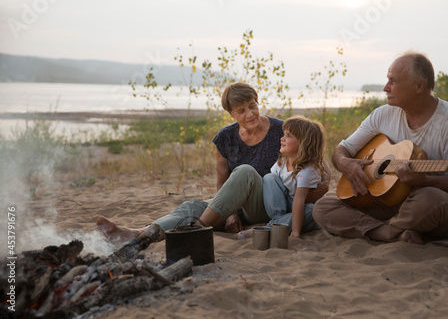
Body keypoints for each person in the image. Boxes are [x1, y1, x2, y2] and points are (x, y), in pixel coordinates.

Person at [98, 82, 330, 257]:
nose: (249, 114)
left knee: (246, 172)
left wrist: (316, 186)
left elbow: (317, 163)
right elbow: (222, 182)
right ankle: (143, 234)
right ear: (230, 113)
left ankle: (196, 230)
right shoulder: (225, 138)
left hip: (268, 203)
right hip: (237, 206)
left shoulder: (282, 129)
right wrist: (229, 214)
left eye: (252, 106)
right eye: (241, 110)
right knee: (192, 206)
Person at [313, 51, 448, 245]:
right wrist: (345, 163)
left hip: (435, 204)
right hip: (388, 202)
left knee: (427, 199)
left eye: (393, 81)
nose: (385, 87)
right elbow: (343, 148)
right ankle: (393, 232)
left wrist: (424, 180)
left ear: (419, 86)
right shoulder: (383, 114)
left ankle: (384, 230)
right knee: (323, 207)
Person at [263, 115, 326, 237]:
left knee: (313, 210)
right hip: (285, 206)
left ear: (303, 143)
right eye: (284, 134)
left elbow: (299, 200)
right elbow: (274, 191)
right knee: (269, 178)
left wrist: (296, 231)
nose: (282, 138)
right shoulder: (281, 163)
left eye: (289, 136)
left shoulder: (307, 171)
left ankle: (273, 226)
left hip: (303, 206)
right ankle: (279, 221)